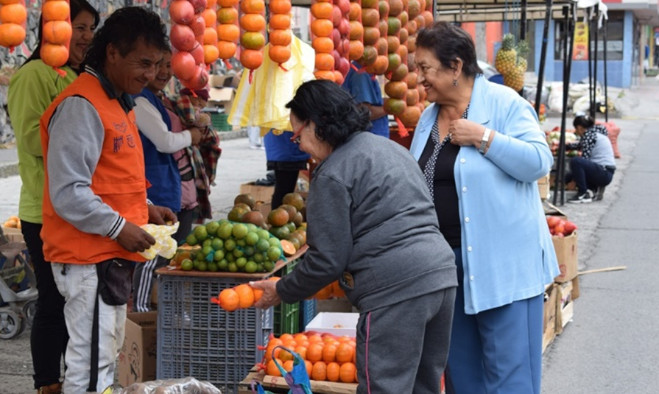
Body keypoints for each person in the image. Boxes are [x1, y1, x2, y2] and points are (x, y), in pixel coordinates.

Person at [251, 80, 457, 394]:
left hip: (395, 287)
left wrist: (282, 289)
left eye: (297, 134)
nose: (299, 144)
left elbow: (326, 260)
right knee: (423, 386)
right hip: (441, 276)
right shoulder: (389, 149)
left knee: (383, 388)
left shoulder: (333, 172)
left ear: (317, 124)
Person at [409, 22, 559, 394]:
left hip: (504, 264)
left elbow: (539, 161)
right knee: (463, 374)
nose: (419, 78)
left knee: (510, 377)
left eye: (425, 68)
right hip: (446, 267)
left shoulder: (505, 104)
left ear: (455, 66)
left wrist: (484, 137)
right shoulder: (428, 118)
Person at [39, 7, 175, 393]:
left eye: (156, 65)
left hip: (106, 257)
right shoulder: (82, 104)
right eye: (143, 63)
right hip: (88, 257)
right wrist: (121, 227)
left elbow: (107, 178)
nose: (151, 75)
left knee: (103, 353)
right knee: (91, 360)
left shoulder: (116, 100)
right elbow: (69, 192)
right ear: (112, 53)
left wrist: (143, 209)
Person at [6, 1, 99, 392]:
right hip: (44, 211)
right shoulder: (35, 75)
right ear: (52, 26)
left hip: (80, 208)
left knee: (77, 302)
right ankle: (46, 382)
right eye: (78, 26)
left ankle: (73, 377)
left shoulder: (78, 75)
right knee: (53, 303)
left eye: (91, 27)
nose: (86, 36)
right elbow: (29, 138)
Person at [131, 47, 203, 312]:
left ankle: (165, 312)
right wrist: (191, 137)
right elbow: (164, 141)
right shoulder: (139, 99)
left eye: (167, 65)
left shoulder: (160, 98)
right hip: (155, 188)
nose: (162, 72)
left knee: (167, 256)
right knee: (151, 256)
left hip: (173, 188)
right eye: (155, 64)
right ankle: (141, 314)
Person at [565, 113, 616, 203]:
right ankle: (593, 188)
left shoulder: (589, 136)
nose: (576, 132)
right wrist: (567, 146)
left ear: (580, 127)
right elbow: (581, 145)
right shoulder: (595, 133)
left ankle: (583, 194)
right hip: (606, 171)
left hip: (603, 172)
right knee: (569, 175)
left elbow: (585, 158)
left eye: (576, 129)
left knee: (576, 162)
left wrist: (574, 181)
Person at [263, 128, 310, 208]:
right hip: (287, 149)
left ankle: (280, 216)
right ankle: (278, 217)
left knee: (285, 190)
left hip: (284, 148)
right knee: (284, 191)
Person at [341, 61, 390, 138]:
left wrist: (386, 102)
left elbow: (372, 102)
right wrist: (390, 108)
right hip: (370, 139)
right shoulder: (361, 74)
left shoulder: (362, 71)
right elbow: (364, 111)